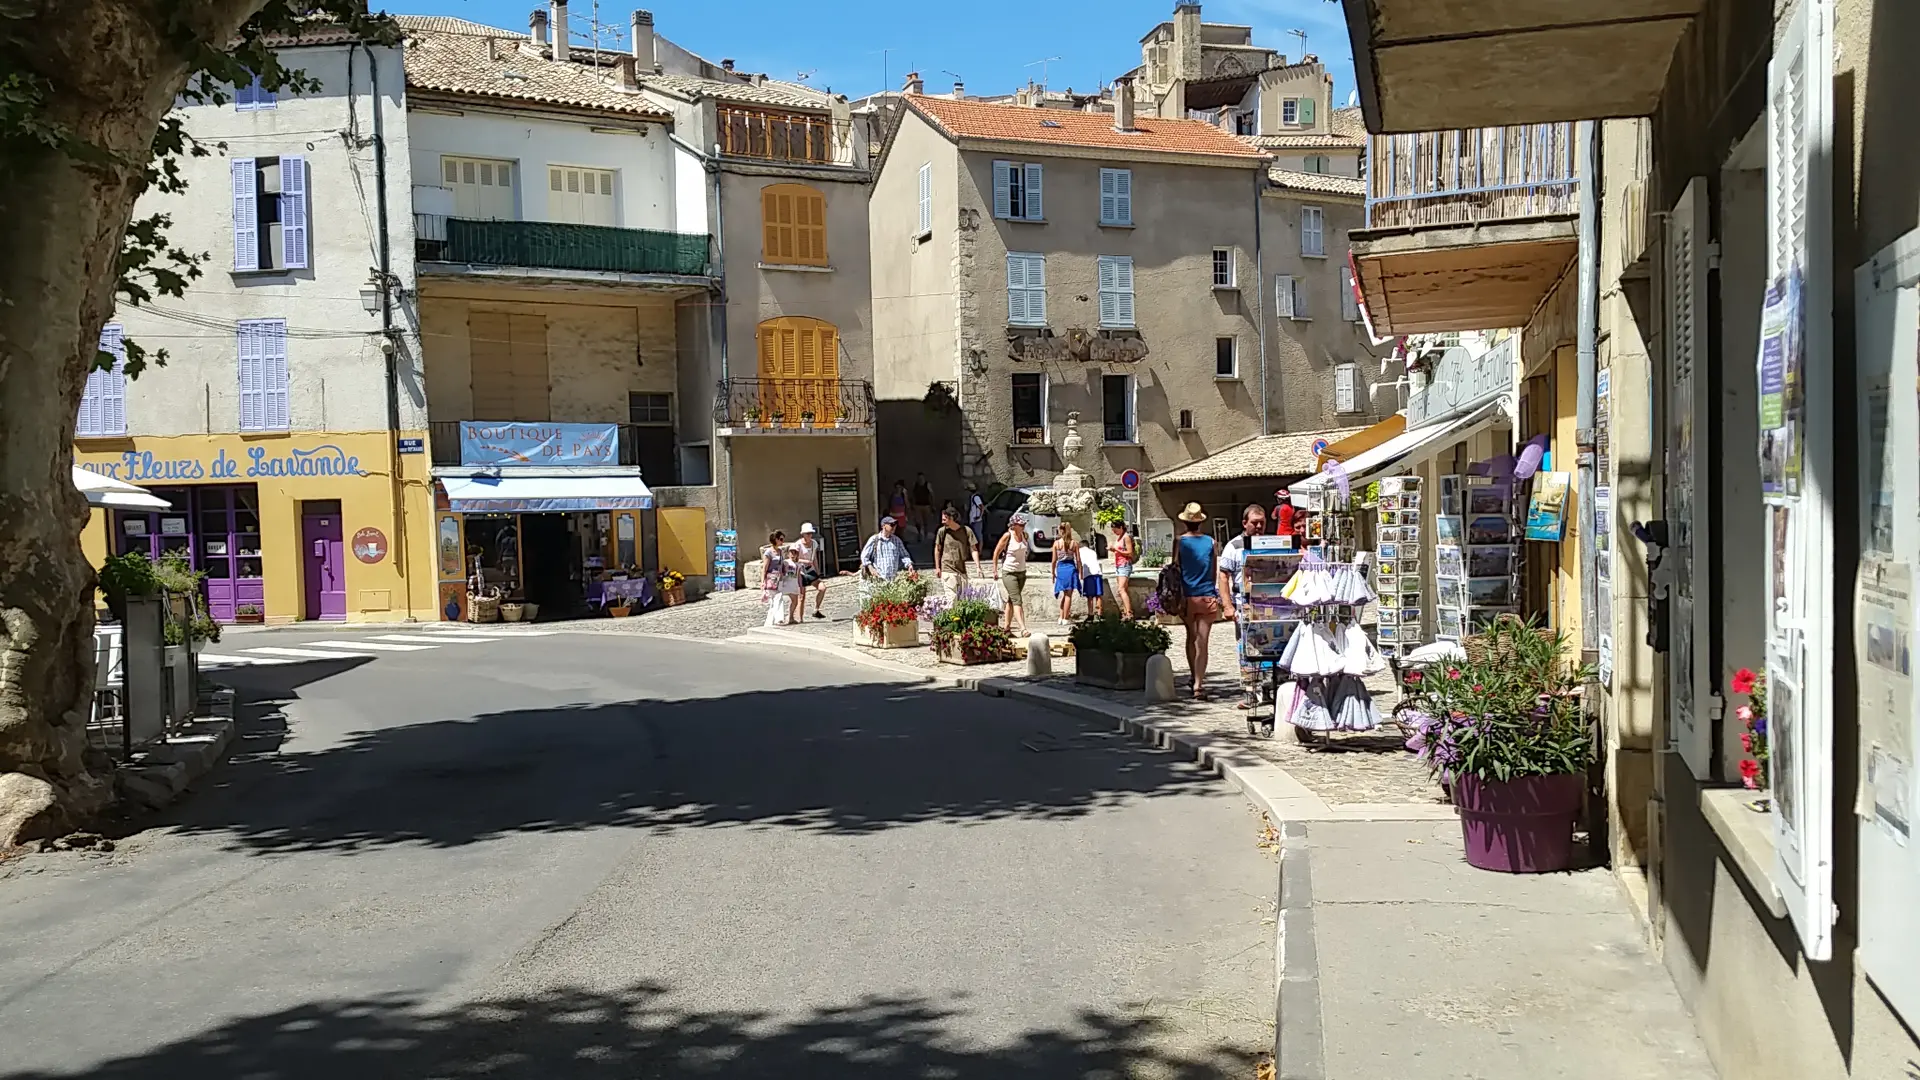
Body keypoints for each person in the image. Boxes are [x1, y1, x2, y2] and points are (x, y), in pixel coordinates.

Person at [1217, 503, 1269, 709]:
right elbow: (1223, 576)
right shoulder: (1233, 546)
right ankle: (1250, 692)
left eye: (1262, 523)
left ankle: (1268, 689)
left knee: (1270, 647)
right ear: (1244, 523)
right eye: (1255, 523)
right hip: (1243, 605)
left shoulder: (1270, 542)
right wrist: (1227, 605)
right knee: (1246, 649)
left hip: (1269, 604)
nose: (1258, 527)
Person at [1175, 502, 1229, 699]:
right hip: (1206, 595)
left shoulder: (1180, 542)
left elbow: (1175, 569)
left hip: (1187, 596)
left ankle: (1193, 675)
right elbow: (1214, 569)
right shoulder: (1211, 542)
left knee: (1191, 637)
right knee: (1203, 641)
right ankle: (1198, 683)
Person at [992, 515, 1031, 636]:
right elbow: (996, 552)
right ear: (1013, 525)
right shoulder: (1007, 536)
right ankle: (1023, 628)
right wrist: (995, 569)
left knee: (1011, 599)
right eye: (1021, 524)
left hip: (1021, 572)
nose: (1023, 526)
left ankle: (1006, 628)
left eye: (1024, 524)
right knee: (1017, 599)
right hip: (1009, 571)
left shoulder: (1025, 536)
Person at [932, 503, 977, 598]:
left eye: (945, 519)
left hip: (961, 569)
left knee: (963, 599)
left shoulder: (966, 531)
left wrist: (978, 566)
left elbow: (973, 549)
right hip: (947, 568)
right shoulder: (942, 531)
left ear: (952, 518)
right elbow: (937, 549)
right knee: (951, 599)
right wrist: (937, 567)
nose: (942, 522)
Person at [859, 515, 914, 585]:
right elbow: (864, 556)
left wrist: (909, 565)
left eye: (895, 524)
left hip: (892, 580)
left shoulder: (897, 540)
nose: (894, 526)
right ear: (883, 526)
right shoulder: (874, 540)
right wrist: (871, 568)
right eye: (892, 524)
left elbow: (904, 555)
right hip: (877, 579)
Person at [792, 522, 829, 620]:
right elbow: (794, 559)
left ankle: (816, 609)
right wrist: (805, 561)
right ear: (803, 534)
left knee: (822, 588)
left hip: (810, 570)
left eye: (810, 533)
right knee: (802, 596)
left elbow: (815, 558)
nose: (809, 535)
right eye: (807, 533)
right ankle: (800, 619)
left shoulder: (814, 543)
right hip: (800, 571)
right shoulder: (797, 545)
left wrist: (817, 572)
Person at [761, 530, 798, 627]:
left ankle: (775, 620)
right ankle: (774, 620)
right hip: (771, 579)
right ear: (776, 539)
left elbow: (781, 564)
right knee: (775, 599)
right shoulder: (768, 553)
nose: (782, 541)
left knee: (779, 598)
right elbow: (765, 567)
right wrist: (763, 581)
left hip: (780, 578)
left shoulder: (780, 551)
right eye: (781, 539)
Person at [1106, 519, 1137, 618]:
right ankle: (1125, 611)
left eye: (1115, 529)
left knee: (1121, 589)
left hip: (1125, 564)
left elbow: (1129, 553)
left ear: (1120, 528)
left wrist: (1116, 549)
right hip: (1119, 565)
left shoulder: (1126, 537)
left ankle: (1129, 613)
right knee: (1124, 590)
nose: (1114, 532)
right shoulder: (1119, 538)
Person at [1051, 520, 1080, 623]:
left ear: (1061, 530)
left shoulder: (1056, 543)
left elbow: (1054, 560)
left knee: (1064, 593)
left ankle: (1061, 616)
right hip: (1070, 568)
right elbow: (1078, 560)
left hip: (1061, 568)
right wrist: (1080, 572)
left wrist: (1053, 573)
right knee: (1069, 594)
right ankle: (1065, 618)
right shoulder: (1074, 543)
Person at [1077, 531, 1105, 619]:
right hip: (1097, 573)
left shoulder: (1079, 551)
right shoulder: (1093, 552)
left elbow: (1078, 563)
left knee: (1089, 596)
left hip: (1088, 575)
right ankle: (1099, 613)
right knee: (1098, 594)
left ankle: (1090, 614)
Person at [910, 472, 935, 538]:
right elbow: (913, 495)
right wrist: (912, 504)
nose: (920, 479)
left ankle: (925, 533)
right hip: (917, 505)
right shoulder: (915, 485)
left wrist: (932, 505)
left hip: (926, 505)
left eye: (921, 478)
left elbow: (931, 494)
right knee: (918, 521)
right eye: (919, 478)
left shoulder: (927, 484)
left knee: (926, 521)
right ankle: (919, 533)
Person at [966, 481, 986, 547]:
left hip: (976, 520)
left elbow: (982, 507)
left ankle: (979, 551)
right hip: (974, 520)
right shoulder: (973, 497)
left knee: (978, 536)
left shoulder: (976, 497)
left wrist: (979, 516)